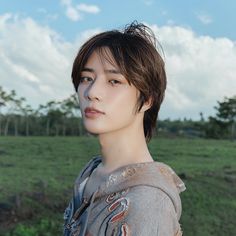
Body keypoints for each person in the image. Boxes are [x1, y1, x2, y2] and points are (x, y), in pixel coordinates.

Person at [63, 21, 186, 236]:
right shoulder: (92, 172)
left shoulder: (147, 203)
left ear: (147, 99)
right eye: (86, 78)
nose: (92, 92)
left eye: (114, 81)